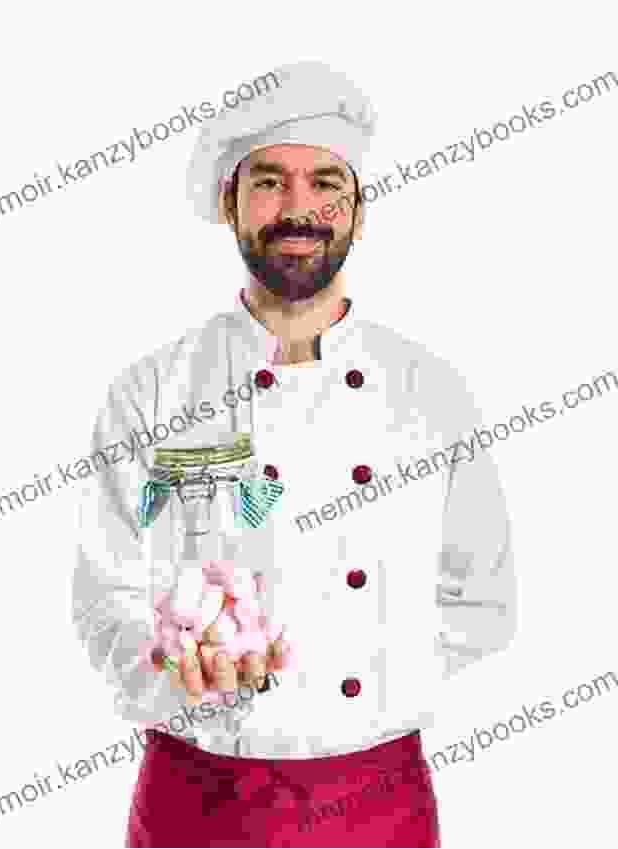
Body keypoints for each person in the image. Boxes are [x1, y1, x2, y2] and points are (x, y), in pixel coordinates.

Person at [73, 60, 517, 848]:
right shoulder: (150, 392)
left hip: (379, 802)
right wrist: (177, 677)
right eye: (271, 182)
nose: (300, 210)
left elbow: (482, 604)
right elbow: (101, 597)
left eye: (327, 185)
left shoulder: (432, 394)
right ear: (229, 203)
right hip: (197, 798)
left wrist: (372, 675)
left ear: (358, 211)